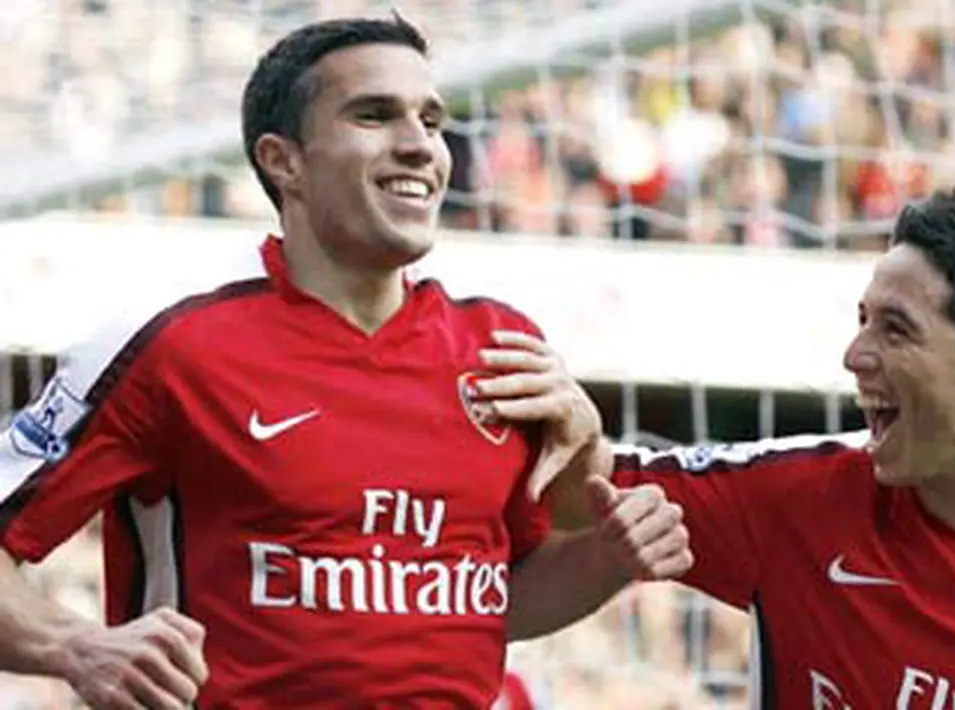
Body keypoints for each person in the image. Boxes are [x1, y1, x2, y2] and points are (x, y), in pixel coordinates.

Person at [0, 14, 691, 710]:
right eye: (374, 116)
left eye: (430, 120)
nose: (421, 145)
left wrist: (606, 555)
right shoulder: (171, 346)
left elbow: (488, 607)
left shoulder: (501, 350)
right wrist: (71, 644)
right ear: (284, 161)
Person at [517, 186, 955, 708]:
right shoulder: (796, 499)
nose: (854, 355)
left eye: (895, 329)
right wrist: (570, 427)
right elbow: (594, 495)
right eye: (862, 321)